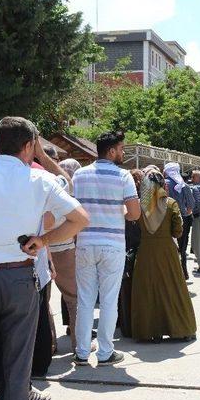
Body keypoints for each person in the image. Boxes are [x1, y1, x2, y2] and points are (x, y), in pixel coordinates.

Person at [0, 117, 89, 400]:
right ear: (29, 147)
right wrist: (43, 240)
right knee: (16, 368)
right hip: (20, 277)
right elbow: (80, 219)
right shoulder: (40, 180)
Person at [72, 131, 141, 367]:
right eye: (121, 149)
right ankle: (104, 352)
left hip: (84, 243)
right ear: (111, 151)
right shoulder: (123, 176)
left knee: (85, 300)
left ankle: (81, 352)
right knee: (109, 300)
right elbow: (134, 213)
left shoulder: (79, 175)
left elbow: (73, 209)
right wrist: (117, 211)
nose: (123, 153)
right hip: (112, 244)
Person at [131, 167, 197, 342]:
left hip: (145, 251)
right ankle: (180, 329)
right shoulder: (170, 203)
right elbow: (177, 231)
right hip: (167, 251)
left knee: (147, 291)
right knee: (172, 289)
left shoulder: (140, 205)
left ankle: (149, 331)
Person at [50, 158, 82, 349]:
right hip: (64, 249)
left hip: (41, 251)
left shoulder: (42, 190)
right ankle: (78, 342)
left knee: (43, 301)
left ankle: (50, 343)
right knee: (73, 298)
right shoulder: (68, 195)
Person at [117, 169, 144, 338]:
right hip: (137, 248)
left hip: (123, 247)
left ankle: (123, 322)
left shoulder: (119, 202)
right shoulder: (142, 204)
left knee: (123, 289)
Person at [164, 162, 195, 280]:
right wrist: (185, 213)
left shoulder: (164, 184)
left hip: (167, 219)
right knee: (182, 247)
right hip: (183, 219)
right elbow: (191, 205)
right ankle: (184, 272)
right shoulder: (184, 185)